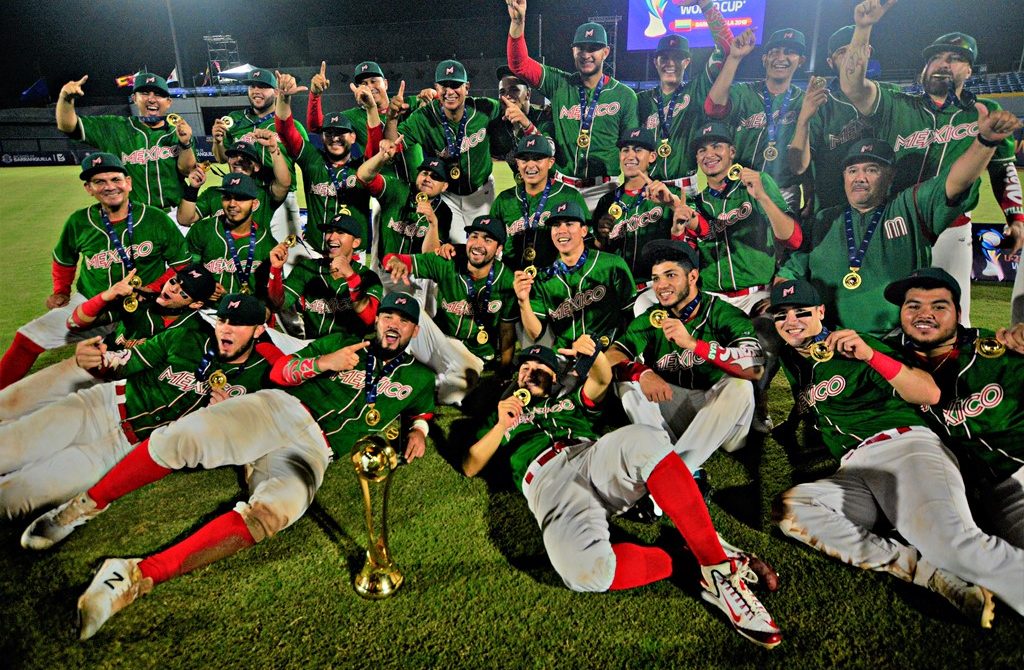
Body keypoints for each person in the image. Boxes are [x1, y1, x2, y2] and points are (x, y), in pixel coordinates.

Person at [22, 293, 435, 640]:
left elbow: (421, 409)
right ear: (377, 320)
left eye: (403, 319)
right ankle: (83, 506)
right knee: (181, 438)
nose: (392, 322)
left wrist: (418, 429)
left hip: (315, 451)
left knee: (274, 514)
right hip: (281, 409)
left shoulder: (418, 377)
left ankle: (133, 576)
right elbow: (283, 372)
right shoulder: (341, 340)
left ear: (415, 331)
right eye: (387, 314)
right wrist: (323, 364)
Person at [463, 340, 782, 649]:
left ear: (555, 375)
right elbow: (471, 465)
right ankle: (688, 560)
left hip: (592, 459)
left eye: (539, 366)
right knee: (585, 572)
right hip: (549, 483)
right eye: (524, 367)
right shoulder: (501, 415)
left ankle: (717, 568)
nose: (528, 371)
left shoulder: (568, 399)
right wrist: (501, 426)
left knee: (644, 439)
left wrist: (594, 353)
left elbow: (601, 378)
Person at [769, 279, 1023, 625]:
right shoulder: (795, 360)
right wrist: (788, 427)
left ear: (821, 312)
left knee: (955, 543)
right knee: (795, 509)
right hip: (853, 469)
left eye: (801, 312)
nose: (791, 321)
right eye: (781, 315)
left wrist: (869, 354)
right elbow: (808, 402)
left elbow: (928, 391)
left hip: (903, 447)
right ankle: (925, 571)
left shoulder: (855, 344)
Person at [0, 294, 274, 519]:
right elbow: (127, 360)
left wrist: (226, 418)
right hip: (99, 408)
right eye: (222, 320)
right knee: (7, 449)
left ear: (258, 330)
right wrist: (97, 359)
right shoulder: (185, 337)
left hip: (124, 452)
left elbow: (246, 438)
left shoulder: (261, 377)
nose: (225, 328)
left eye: (237, 323)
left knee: (17, 498)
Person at [839, 0, 1023, 325]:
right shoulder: (895, 103)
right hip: (893, 227)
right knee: (886, 317)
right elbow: (852, 84)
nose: (942, 64)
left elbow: (1004, 168)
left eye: (954, 58)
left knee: (952, 319)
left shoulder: (983, 112)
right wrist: (863, 28)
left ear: (970, 69)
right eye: (935, 57)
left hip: (952, 230)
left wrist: (1015, 218)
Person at [777, 101, 1022, 335]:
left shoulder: (910, 207)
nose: (859, 178)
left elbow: (956, 182)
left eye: (871, 170)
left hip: (895, 345)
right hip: (835, 345)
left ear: (890, 175)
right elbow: (791, 272)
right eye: (852, 170)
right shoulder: (825, 220)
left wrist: (985, 142)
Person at [0, 153, 191, 389]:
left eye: (115, 179)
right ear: (88, 188)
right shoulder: (79, 222)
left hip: (145, 306)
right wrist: (61, 291)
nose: (110, 187)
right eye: (100, 182)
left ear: (128, 183)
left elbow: (182, 266)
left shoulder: (156, 219)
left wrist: (152, 288)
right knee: (28, 338)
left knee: (141, 369)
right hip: (91, 303)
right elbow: (64, 259)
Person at [882, 268, 1024, 549]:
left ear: (958, 313)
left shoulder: (997, 350)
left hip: (1013, 476)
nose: (925, 314)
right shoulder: (883, 359)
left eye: (938, 306)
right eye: (913, 306)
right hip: (942, 488)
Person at [607, 240, 763, 470]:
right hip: (675, 407)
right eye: (656, 278)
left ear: (692, 277)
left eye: (671, 275)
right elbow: (613, 354)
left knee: (741, 386)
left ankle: (674, 469)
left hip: (721, 413)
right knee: (628, 384)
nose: (661, 285)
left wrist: (693, 344)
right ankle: (675, 462)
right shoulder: (653, 317)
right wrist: (643, 373)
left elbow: (755, 368)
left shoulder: (722, 312)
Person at [0, 265, 216, 422]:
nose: (173, 289)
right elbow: (75, 322)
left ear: (196, 304)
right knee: (14, 400)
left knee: (44, 421)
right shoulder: (140, 302)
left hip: (123, 393)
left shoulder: (194, 333)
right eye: (174, 281)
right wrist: (107, 295)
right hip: (94, 366)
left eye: (183, 292)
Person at [506, 0, 639, 211]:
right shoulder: (560, 83)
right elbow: (519, 65)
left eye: (593, 48)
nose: (586, 54)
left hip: (604, 188)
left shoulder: (625, 96)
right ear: (573, 51)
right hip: (562, 185)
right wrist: (517, 22)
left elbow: (634, 148)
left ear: (606, 52)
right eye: (581, 48)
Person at [385, 216, 518, 403]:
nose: (478, 244)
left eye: (487, 240)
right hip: (438, 338)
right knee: (404, 305)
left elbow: (507, 330)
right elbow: (394, 259)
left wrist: (503, 371)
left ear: (499, 249)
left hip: (473, 354)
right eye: (474, 236)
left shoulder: (507, 280)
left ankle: (416, 381)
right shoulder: (448, 261)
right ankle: (395, 366)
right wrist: (395, 262)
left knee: (458, 390)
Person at [686, 122, 800, 315]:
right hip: (714, 299)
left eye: (717, 146)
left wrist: (762, 197)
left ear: (732, 151)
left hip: (757, 296)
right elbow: (687, 258)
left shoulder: (758, 181)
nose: (709, 154)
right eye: (702, 150)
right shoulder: (696, 203)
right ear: (697, 158)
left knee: (768, 336)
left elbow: (793, 240)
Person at [385, 60, 502, 241]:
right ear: (436, 88)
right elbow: (392, 145)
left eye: (455, 85)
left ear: (467, 87)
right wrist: (392, 119)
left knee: (486, 250)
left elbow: (514, 112)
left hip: (481, 194)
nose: (449, 92)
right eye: (444, 86)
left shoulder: (486, 108)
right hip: (447, 197)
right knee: (454, 250)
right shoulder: (424, 117)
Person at [274, 72, 384, 257]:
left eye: (341, 133)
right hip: (316, 252)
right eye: (329, 133)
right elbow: (285, 130)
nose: (335, 138)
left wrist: (372, 108)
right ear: (322, 137)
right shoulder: (312, 159)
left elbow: (375, 145)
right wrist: (284, 99)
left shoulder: (363, 167)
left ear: (353, 136)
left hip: (353, 255)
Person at [55, 71, 196, 211]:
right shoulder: (115, 127)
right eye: (145, 93)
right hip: (133, 215)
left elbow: (188, 171)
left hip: (176, 213)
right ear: (134, 98)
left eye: (158, 94)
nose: (152, 99)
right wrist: (65, 98)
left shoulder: (180, 131)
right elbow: (68, 126)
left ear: (168, 102)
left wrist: (185, 143)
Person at [704, 29, 809, 211]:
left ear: (801, 61)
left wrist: (810, 192)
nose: (781, 57)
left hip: (783, 191)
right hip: (739, 187)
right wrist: (734, 58)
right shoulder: (744, 92)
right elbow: (713, 108)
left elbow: (810, 159)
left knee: (781, 239)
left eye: (790, 52)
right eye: (774, 52)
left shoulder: (805, 101)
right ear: (764, 59)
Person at [637, 1, 734, 197]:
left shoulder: (697, 88)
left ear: (687, 62)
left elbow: (726, 48)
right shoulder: (641, 100)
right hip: (650, 187)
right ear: (656, 62)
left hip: (686, 189)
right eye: (664, 58)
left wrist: (705, 5)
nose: (670, 63)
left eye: (677, 58)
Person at [514, 202, 635, 349]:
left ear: (584, 231)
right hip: (565, 354)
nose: (561, 230)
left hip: (608, 351)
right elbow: (535, 334)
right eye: (556, 225)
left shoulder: (612, 264)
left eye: (569, 224)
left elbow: (631, 314)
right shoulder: (542, 278)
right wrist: (523, 301)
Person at [213, 68, 306, 244]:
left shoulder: (291, 126)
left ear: (276, 91)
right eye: (252, 86)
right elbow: (221, 158)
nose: (256, 91)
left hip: (280, 196)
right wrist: (218, 141)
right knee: (249, 253)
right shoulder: (235, 120)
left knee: (291, 254)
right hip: (244, 197)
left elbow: (306, 162)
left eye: (263, 86)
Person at [266, 213, 382, 345]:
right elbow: (277, 305)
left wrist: (351, 277)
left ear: (355, 242)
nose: (332, 237)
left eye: (340, 232)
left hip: (349, 350)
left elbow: (370, 319)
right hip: (312, 347)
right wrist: (276, 269)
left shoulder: (368, 276)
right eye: (329, 232)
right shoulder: (306, 268)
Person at [591, 128, 683, 288]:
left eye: (638, 150)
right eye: (625, 150)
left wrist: (674, 205)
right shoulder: (606, 201)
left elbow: (689, 236)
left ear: (652, 157)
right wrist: (601, 238)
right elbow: (598, 252)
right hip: (618, 288)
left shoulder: (669, 194)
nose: (630, 156)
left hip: (656, 287)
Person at [489, 134, 589, 271]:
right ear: (517, 163)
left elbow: (587, 242)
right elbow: (489, 240)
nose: (530, 165)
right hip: (513, 278)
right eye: (524, 159)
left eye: (537, 159)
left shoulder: (569, 196)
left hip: (555, 281)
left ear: (550, 162)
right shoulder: (504, 199)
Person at [186, 173, 278, 299]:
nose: (232, 204)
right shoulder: (202, 229)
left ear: (255, 204)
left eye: (240, 198)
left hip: (246, 313)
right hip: (204, 310)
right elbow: (187, 267)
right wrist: (203, 285)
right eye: (227, 197)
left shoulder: (268, 243)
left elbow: (269, 294)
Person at [176, 135, 290, 234]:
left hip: (255, 255)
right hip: (220, 256)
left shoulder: (264, 194)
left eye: (246, 157)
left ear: (256, 167)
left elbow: (284, 184)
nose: (238, 159)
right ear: (229, 161)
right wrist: (193, 189)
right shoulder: (213, 193)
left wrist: (274, 151)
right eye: (233, 155)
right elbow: (185, 219)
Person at [335, 60, 424, 181]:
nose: (370, 87)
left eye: (373, 81)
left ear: (385, 84)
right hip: (385, 192)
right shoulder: (353, 116)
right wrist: (315, 95)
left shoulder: (408, 104)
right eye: (364, 84)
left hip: (420, 186)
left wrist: (431, 94)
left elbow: (439, 102)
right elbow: (317, 126)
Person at [488, 65, 552, 173]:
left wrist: (525, 123)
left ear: (528, 94)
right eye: (502, 92)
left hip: (551, 187)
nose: (507, 96)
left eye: (514, 90)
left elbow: (550, 150)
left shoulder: (544, 116)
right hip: (523, 188)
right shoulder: (498, 126)